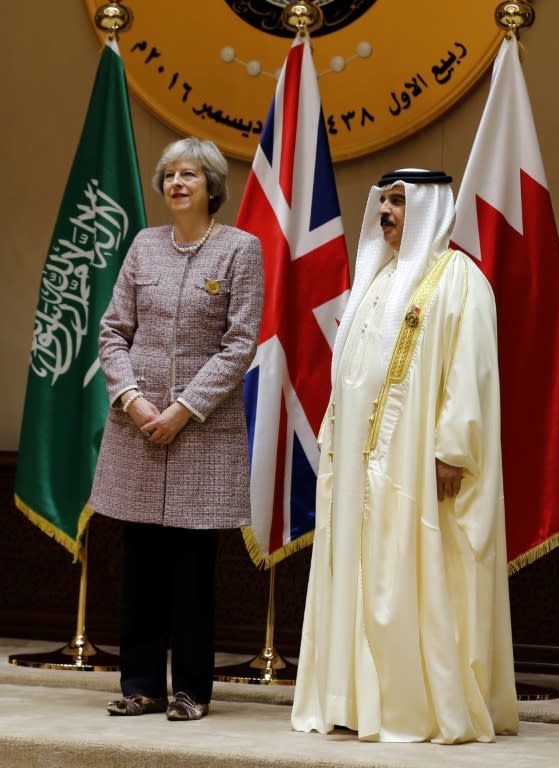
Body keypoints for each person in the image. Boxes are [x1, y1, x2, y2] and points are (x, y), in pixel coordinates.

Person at [291, 169, 519, 743]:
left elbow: (471, 372)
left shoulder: (460, 280)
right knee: (360, 574)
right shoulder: (379, 278)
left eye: (400, 201)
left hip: (421, 469)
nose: (388, 211)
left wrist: (452, 450)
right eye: (384, 201)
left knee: (411, 576)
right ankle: (353, 700)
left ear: (430, 208)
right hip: (360, 471)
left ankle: (408, 705)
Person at [91, 137, 263, 721]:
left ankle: (192, 690)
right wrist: (133, 401)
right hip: (137, 429)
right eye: (169, 175)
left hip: (201, 435)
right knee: (140, 564)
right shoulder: (144, 246)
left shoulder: (241, 249)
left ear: (212, 186)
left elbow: (240, 344)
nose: (176, 184)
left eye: (189, 175)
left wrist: (184, 408)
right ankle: (140, 685)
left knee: (192, 569)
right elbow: (113, 331)